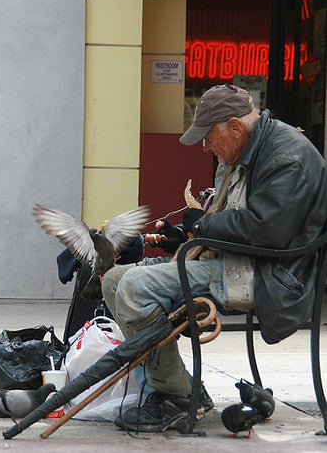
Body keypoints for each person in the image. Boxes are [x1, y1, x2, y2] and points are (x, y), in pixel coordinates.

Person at [102, 83, 327, 433]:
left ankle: (175, 396)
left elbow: (265, 230)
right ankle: (175, 384)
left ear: (235, 126)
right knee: (114, 281)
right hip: (239, 260)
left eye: (209, 138)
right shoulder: (247, 149)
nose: (206, 147)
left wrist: (203, 225)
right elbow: (233, 216)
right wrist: (187, 231)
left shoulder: (288, 156)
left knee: (132, 287)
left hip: (271, 276)